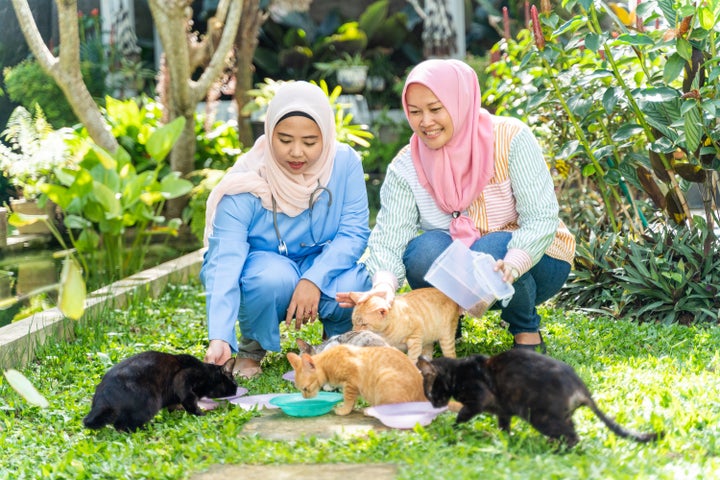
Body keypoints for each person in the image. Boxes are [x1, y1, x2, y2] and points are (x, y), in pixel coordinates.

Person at [337, 59, 575, 353]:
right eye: (415, 112)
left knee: (490, 248)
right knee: (422, 251)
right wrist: (383, 287)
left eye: (436, 109)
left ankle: (525, 328)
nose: (425, 122)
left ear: (460, 101)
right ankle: (448, 324)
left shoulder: (510, 138)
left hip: (537, 264)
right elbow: (389, 238)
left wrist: (513, 263)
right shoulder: (406, 165)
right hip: (462, 271)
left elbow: (541, 218)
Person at [201, 81, 371, 378]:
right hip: (268, 269)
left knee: (354, 284)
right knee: (267, 279)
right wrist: (219, 335)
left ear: (326, 137)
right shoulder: (245, 181)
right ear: (268, 134)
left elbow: (353, 233)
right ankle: (252, 347)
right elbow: (223, 261)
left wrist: (313, 279)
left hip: (323, 264)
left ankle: (337, 343)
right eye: (284, 139)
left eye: (309, 142)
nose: (296, 153)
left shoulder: (343, 163)